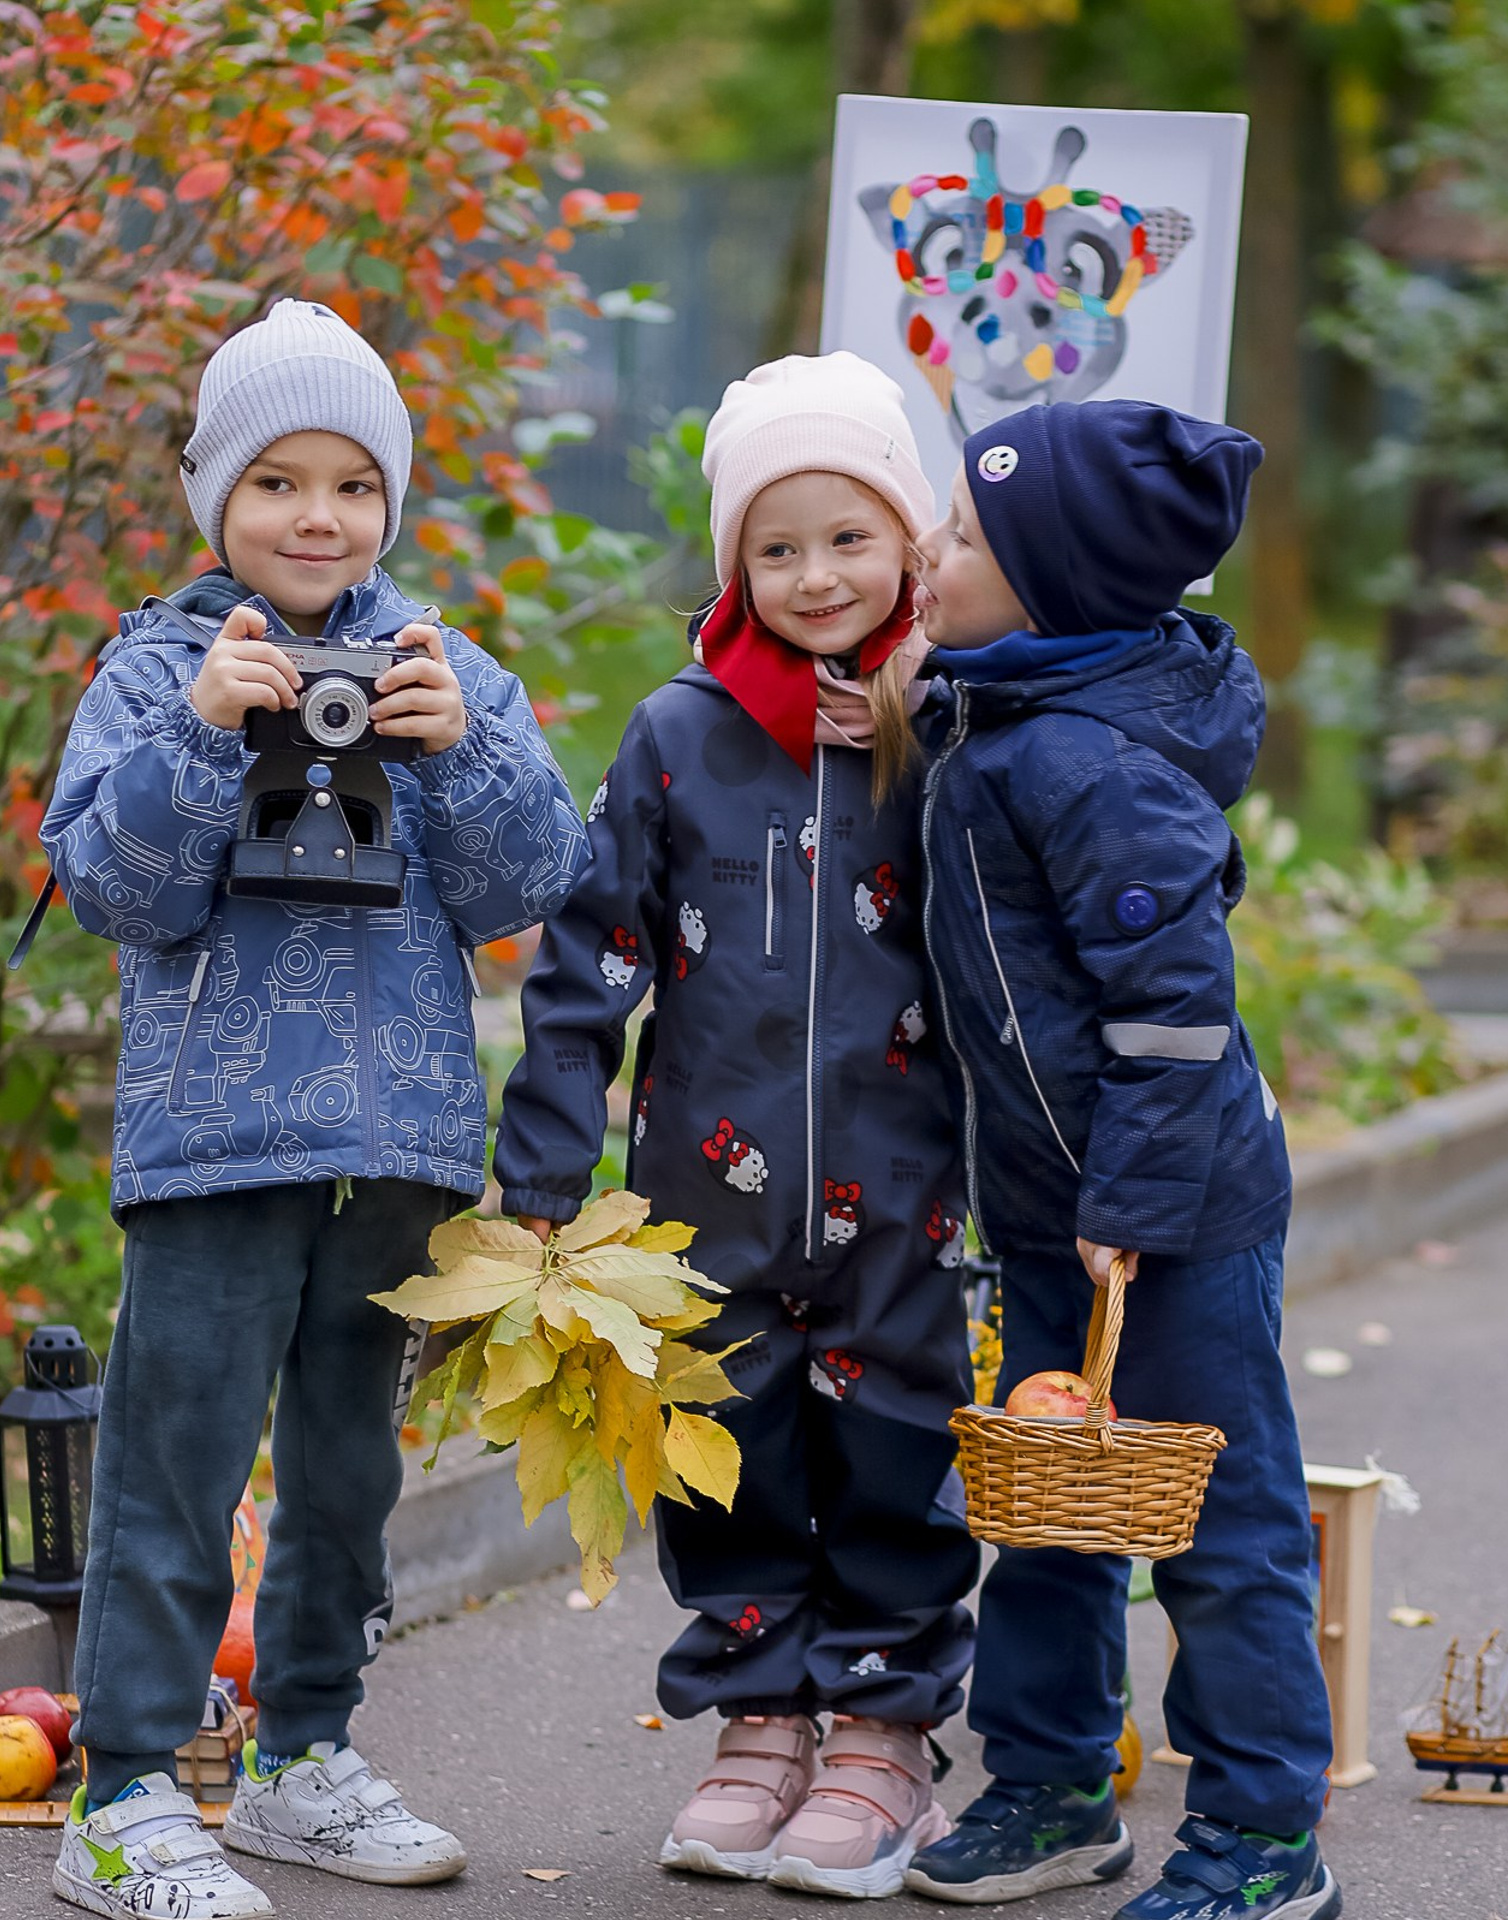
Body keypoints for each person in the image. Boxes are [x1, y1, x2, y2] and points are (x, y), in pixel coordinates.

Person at [39, 298, 588, 1917]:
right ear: (219, 497)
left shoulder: (444, 668)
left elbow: (533, 886)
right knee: (175, 1460)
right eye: (278, 480)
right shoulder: (158, 668)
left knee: (350, 1472)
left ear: (391, 505)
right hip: (215, 1143)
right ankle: (127, 1792)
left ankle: (302, 1763)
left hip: (398, 1139)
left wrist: (464, 750)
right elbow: (109, 889)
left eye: (354, 484)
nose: (318, 518)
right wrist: (210, 731)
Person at [494, 352, 979, 1902]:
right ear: (733, 565)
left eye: (851, 538)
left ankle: (882, 1735)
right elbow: (586, 966)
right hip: (710, 1199)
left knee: (897, 1456)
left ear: (912, 542)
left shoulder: (958, 726)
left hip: (911, 1198)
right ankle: (761, 1718)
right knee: (734, 1454)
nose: (817, 575)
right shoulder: (678, 734)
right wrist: (545, 1176)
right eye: (777, 547)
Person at [900, 400, 1337, 1920]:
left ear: (1054, 586)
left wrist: (1132, 1207)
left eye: (959, 534)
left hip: (1172, 1213)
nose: (926, 550)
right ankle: (1051, 1784)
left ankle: (1265, 1837)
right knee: (1054, 1501)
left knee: (1216, 1523)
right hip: (1054, 1204)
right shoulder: (1002, 711)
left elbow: (1171, 1016)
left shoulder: (1093, 765)